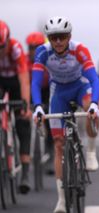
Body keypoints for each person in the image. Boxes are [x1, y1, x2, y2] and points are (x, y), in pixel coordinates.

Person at [31, 16, 99, 213]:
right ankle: (61, 200)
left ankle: (90, 152)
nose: (58, 42)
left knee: (91, 111)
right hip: (59, 93)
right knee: (59, 144)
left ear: (69, 36)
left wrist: (94, 105)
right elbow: (36, 82)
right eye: (54, 38)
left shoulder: (79, 50)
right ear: (49, 39)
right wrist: (37, 106)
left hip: (80, 87)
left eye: (62, 37)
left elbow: (94, 79)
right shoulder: (42, 52)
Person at [0, 20, 32, 194]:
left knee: (23, 123)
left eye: (1, 47)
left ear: (8, 41)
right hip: (1, 83)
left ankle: (25, 173)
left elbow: (24, 80)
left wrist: (25, 105)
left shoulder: (16, 49)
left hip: (15, 84)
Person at [26, 31, 55, 175]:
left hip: (48, 91)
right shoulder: (25, 61)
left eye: (37, 47)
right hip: (32, 91)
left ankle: (50, 153)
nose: (33, 51)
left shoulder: (49, 59)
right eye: (31, 47)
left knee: (49, 121)